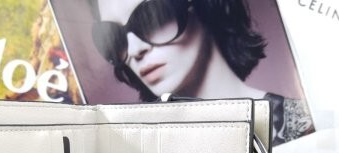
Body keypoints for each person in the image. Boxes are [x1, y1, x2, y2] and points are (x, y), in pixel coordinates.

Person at [88, 0, 313, 145]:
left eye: (153, 16)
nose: (134, 50)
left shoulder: (301, 125)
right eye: (115, 36)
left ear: (204, 6)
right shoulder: (149, 150)